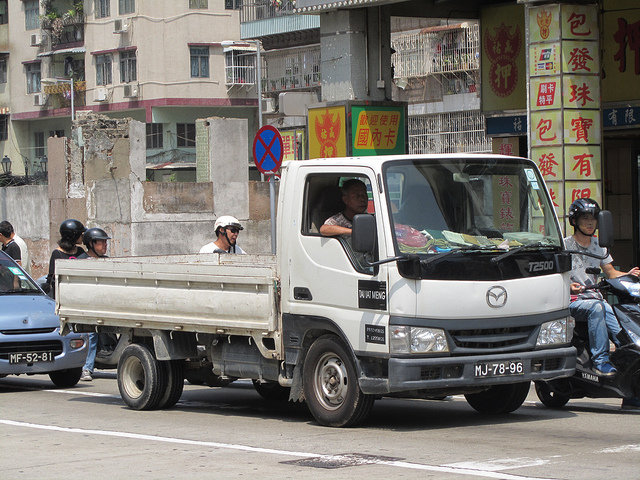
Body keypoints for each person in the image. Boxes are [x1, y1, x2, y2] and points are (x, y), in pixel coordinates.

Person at [565, 198, 640, 410]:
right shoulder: (566, 245)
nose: (590, 223)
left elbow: (611, 273)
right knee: (598, 307)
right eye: (585, 218)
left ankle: (630, 369)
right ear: (575, 221)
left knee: (617, 317)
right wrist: (570, 286)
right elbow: (557, 275)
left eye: (593, 219)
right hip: (574, 303)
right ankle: (600, 361)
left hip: (596, 301)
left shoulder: (599, 246)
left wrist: (629, 275)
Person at [77, 227, 111, 382]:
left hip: (104, 305)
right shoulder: (81, 262)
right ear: (91, 244)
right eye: (101, 242)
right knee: (91, 336)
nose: (105, 245)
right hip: (87, 306)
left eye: (105, 242)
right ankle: (86, 368)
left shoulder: (107, 261)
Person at [44, 219, 86, 298]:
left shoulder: (80, 251)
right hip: (63, 294)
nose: (82, 236)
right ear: (74, 236)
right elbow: (52, 278)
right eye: (80, 234)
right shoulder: (57, 253)